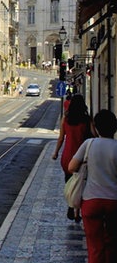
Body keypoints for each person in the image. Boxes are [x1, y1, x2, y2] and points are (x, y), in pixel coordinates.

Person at [69, 110, 117, 263]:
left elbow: (71, 167)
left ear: (95, 128)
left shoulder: (89, 144)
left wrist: (86, 163)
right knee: (112, 245)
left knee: (95, 247)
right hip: (114, 202)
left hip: (92, 202)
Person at [52, 93, 94, 221]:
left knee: (70, 181)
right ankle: (77, 212)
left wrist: (56, 153)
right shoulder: (87, 119)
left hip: (68, 155)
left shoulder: (66, 118)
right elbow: (94, 135)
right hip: (82, 155)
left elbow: (60, 139)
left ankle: (71, 206)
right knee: (82, 182)